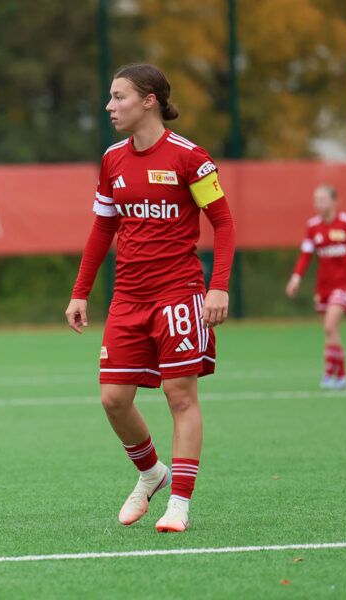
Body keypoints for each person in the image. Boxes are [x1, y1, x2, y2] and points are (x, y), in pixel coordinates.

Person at [65, 64, 236, 533]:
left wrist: (218, 285)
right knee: (113, 399)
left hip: (179, 294)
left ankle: (179, 503)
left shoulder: (190, 158)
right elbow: (103, 228)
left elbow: (223, 223)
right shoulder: (112, 160)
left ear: (149, 101)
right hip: (128, 298)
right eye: (110, 96)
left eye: (118, 96)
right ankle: (151, 473)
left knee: (179, 396)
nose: (109, 106)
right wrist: (80, 292)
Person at [285, 184, 346, 390]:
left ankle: (333, 374)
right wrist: (295, 279)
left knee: (329, 326)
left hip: (343, 285)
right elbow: (305, 256)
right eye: (316, 200)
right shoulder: (313, 226)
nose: (319, 204)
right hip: (323, 288)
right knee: (331, 332)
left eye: (323, 199)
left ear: (335, 201)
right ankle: (338, 376)